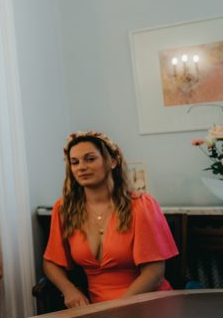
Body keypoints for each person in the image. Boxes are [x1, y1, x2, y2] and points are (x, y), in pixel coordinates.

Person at [43, 131, 177, 306]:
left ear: (113, 161)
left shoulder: (141, 206)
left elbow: (154, 272)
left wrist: (117, 308)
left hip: (147, 302)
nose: (81, 167)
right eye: (75, 162)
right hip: (97, 310)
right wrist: (69, 291)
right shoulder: (64, 209)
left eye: (90, 159)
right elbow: (51, 263)